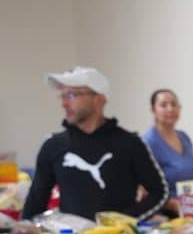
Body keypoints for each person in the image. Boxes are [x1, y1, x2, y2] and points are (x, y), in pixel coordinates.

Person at [22, 66, 169, 221]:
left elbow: (160, 192)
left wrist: (126, 220)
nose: (64, 104)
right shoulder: (53, 146)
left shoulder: (129, 143)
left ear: (98, 99)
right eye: (62, 97)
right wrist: (23, 232)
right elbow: (35, 202)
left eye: (72, 95)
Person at [142, 89, 193, 215]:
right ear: (153, 110)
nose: (170, 109)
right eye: (163, 105)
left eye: (174, 104)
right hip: (162, 217)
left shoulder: (184, 138)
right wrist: (173, 205)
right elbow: (143, 189)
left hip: (191, 212)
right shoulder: (148, 142)